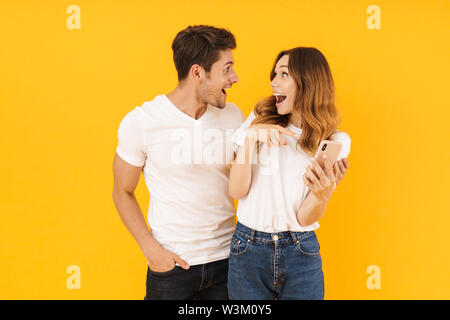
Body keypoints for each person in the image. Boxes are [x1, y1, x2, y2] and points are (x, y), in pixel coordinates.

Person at [112, 25, 242, 300]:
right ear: (198, 72)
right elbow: (122, 191)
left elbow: (248, 183)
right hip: (171, 267)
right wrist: (151, 250)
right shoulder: (143, 121)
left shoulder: (232, 116)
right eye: (227, 69)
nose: (235, 78)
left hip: (228, 264)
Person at [227, 47, 351, 300]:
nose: (273, 82)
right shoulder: (258, 119)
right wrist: (251, 139)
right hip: (247, 247)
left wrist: (323, 193)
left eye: (283, 74)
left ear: (308, 82)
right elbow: (237, 191)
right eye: (274, 74)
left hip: (300, 250)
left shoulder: (335, 141)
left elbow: (304, 219)